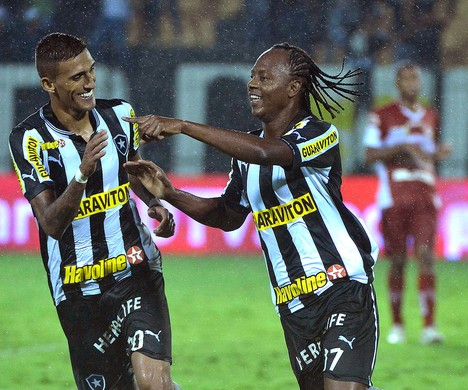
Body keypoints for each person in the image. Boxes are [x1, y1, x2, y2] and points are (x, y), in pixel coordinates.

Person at [124, 42, 380, 390]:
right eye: (251, 77)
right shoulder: (246, 153)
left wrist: (183, 126)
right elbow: (228, 215)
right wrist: (170, 194)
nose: (252, 85)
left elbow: (265, 153)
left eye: (263, 77)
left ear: (293, 88)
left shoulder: (319, 134)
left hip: (342, 285)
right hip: (292, 302)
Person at [8, 32, 181, 390]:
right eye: (76, 77)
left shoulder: (119, 114)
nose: (90, 83)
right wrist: (82, 173)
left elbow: (132, 170)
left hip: (134, 268)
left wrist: (153, 204)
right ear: (48, 84)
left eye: (91, 71)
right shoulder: (30, 139)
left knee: (152, 384)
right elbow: (52, 224)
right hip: (76, 288)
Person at [363, 63, 450, 345]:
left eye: (417, 78)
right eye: (408, 78)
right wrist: (402, 147)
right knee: (398, 261)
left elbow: (426, 155)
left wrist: (437, 154)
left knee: (426, 256)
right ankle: (398, 325)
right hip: (394, 197)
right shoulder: (382, 115)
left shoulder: (431, 116)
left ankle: (429, 326)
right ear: (398, 84)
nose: (414, 83)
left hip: (425, 196)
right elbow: (369, 154)